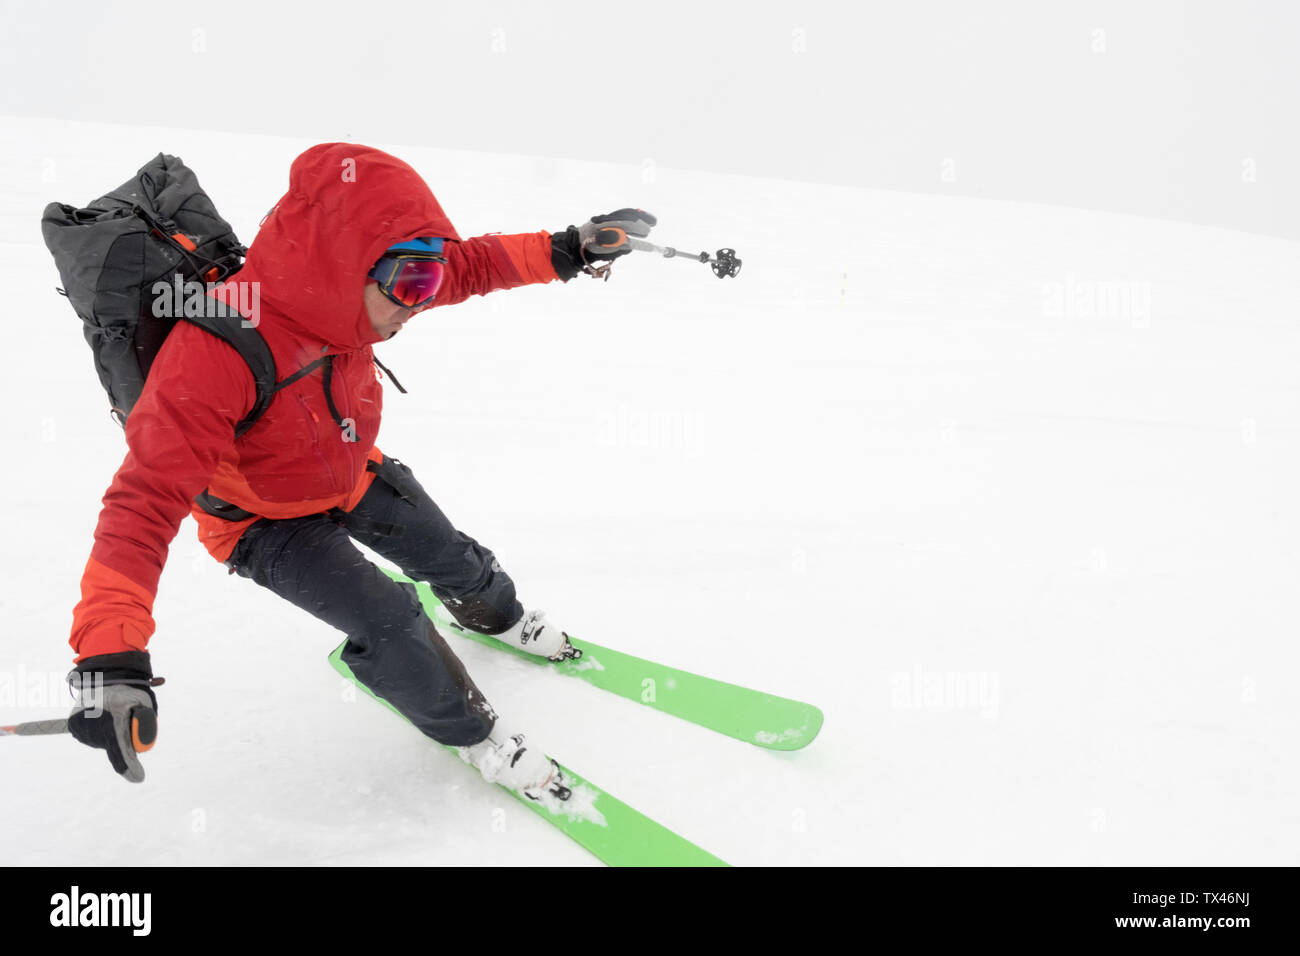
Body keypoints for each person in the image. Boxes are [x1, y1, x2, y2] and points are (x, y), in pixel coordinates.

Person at [63, 142, 656, 798]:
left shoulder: (372, 288)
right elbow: (142, 501)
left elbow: (470, 264)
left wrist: (569, 247)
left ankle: (498, 616)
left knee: (453, 558)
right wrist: (110, 656)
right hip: (259, 521)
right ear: (342, 266)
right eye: (409, 283)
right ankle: (473, 735)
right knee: (392, 620)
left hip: (343, 470)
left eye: (425, 282)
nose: (420, 300)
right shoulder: (214, 350)